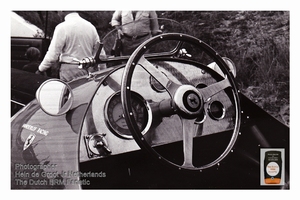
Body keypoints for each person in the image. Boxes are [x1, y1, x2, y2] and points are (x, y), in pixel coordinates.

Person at [37, 11, 101, 82]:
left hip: (69, 70)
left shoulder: (62, 27)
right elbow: (100, 52)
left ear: (62, 10)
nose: (58, 13)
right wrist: (102, 71)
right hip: (87, 69)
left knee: (69, 92)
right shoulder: (90, 27)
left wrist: (41, 69)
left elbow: (53, 55)